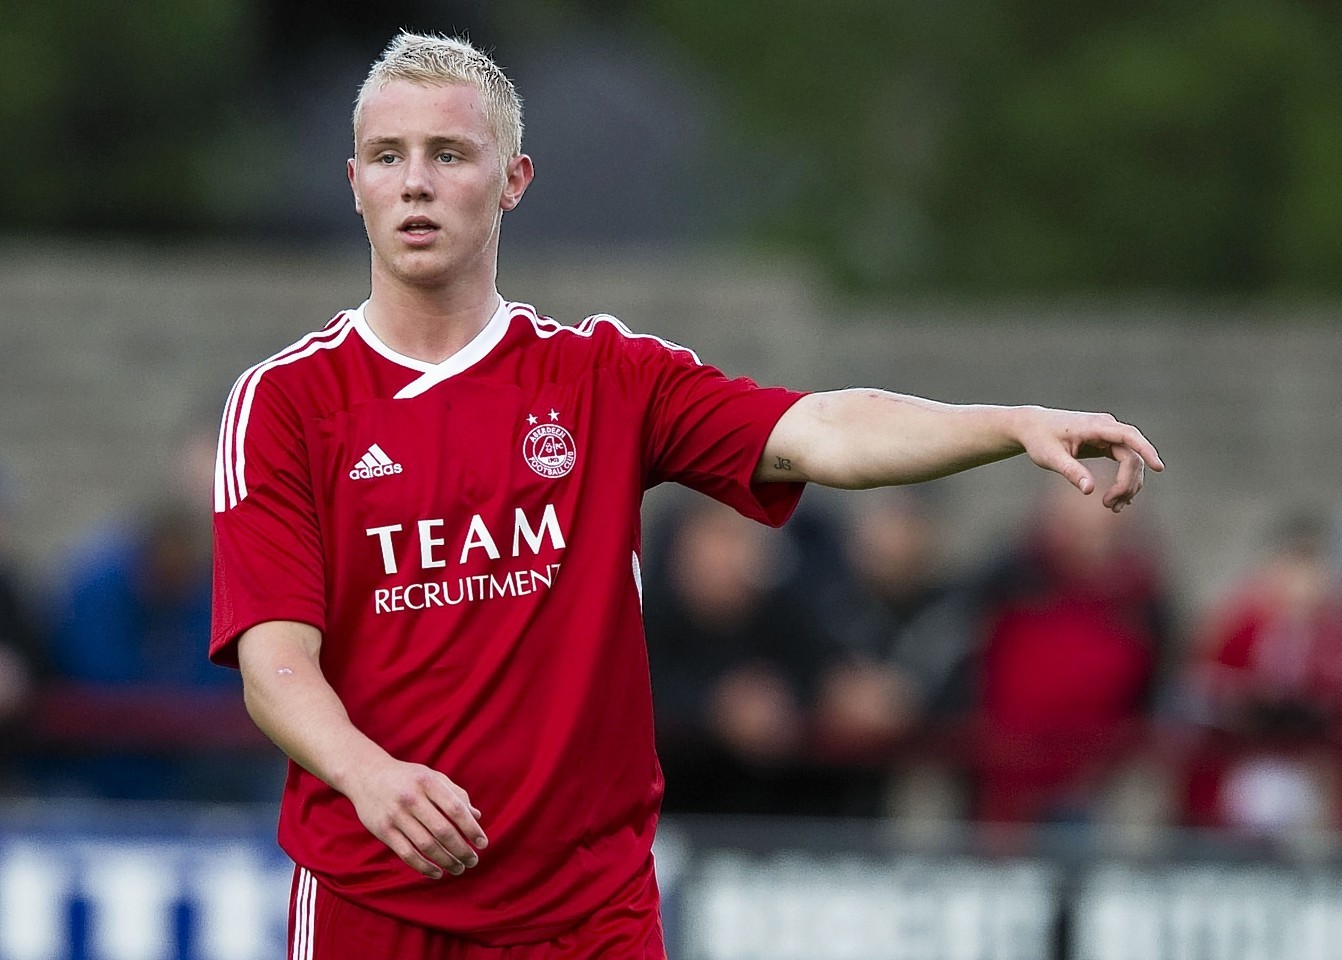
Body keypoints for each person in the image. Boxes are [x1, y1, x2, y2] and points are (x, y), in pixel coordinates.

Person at [209, 31, 1164, 960]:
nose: (415, 180)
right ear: (355, 183)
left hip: (586, 914)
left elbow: (821, 430)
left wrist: (1007, 425)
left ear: (513, 181)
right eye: (388, 155)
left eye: (449, 153)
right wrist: (367, 776)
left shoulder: (602, 379)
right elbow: (276, 663)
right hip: (376, 902)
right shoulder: (286, 403)